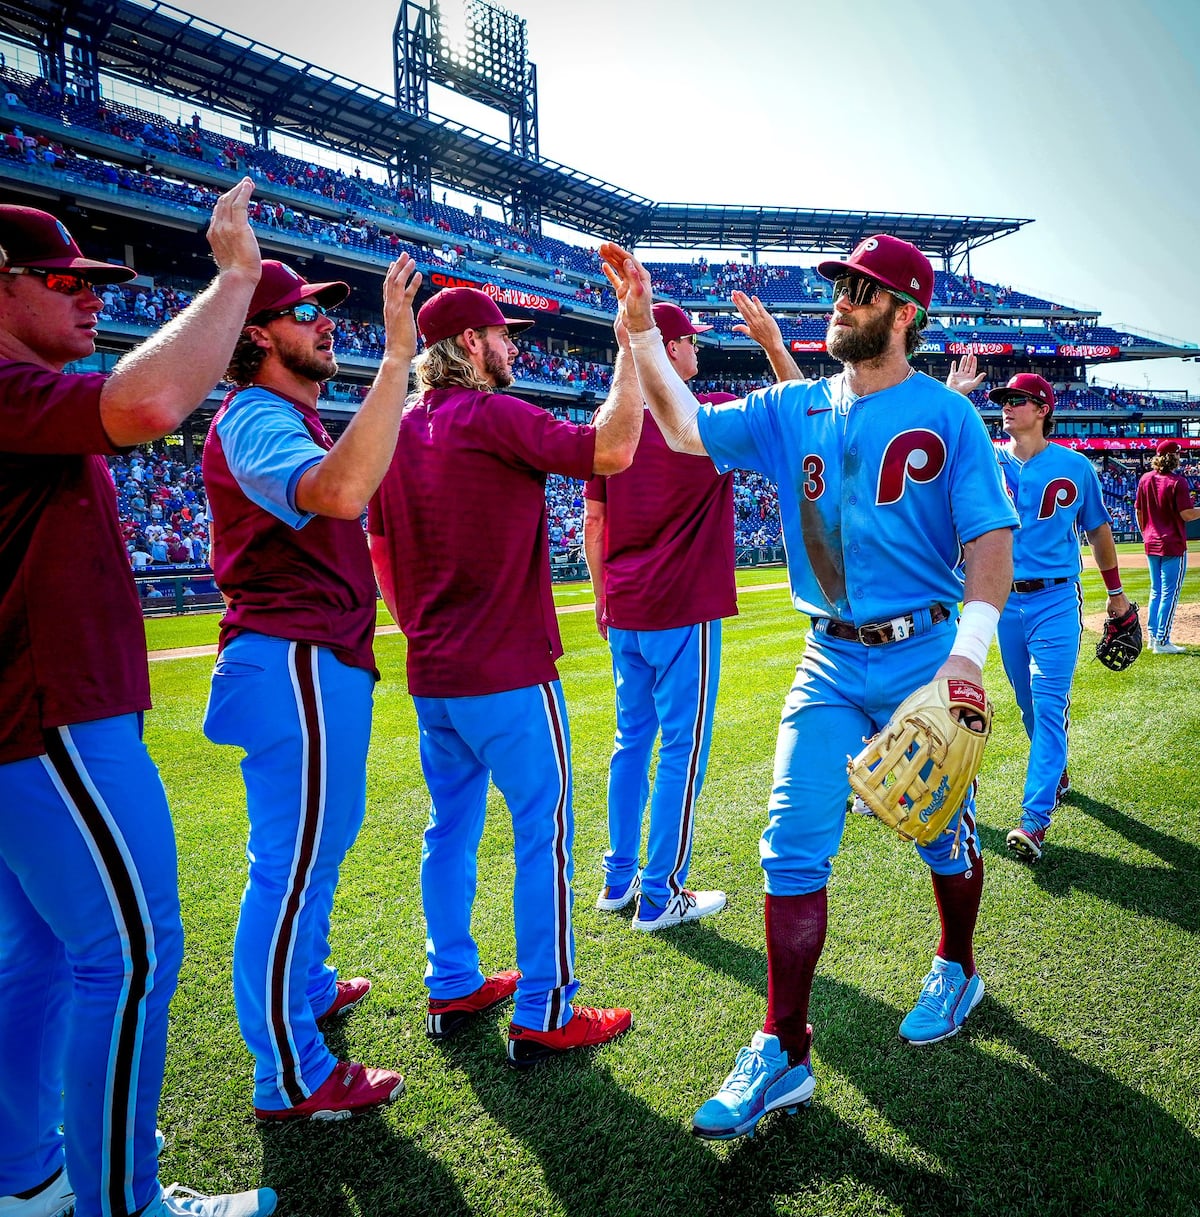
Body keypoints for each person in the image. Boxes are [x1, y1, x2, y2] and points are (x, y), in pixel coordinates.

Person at [599, 234, 1017, 1141]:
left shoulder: (950, 416)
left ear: (905, 314)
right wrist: (638, 332)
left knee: (945, 832)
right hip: (827, 657)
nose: (842, 300)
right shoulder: (793, 405)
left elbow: (988, 541)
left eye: (863, 291)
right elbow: (684, 427)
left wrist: (969, 656)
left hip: (925, 652)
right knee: (790, 845)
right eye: (840, 286)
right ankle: (784, 1047)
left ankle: (957, 961)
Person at [0, 188, 277, 1217]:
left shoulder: (32, 384)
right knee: (128, 953)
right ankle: (124, 1200)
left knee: (35, 952)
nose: (88, 298)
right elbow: (150, 404)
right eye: (65, 280)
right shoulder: (8, 383)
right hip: (52, 719)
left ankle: (25, 1172)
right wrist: (236, 276)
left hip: (37, 720)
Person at [368, 287, 642, 1066]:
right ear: (467, 343)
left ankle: (451, 978)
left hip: (436, 671)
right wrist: (627, 349)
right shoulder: (494, 415)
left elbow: (380, 549)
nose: (512, 346)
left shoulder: (394, 425)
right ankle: (545, 1006)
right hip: (508, 670)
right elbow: (613, 449)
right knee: (542, 832)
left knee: (447, 828)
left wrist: (420, 626)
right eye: (500, 334)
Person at [201, 255, 421, 1123]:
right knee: (289, 869)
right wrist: (399, 356)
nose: (324, 323)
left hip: (310, 657)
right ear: (256, 335)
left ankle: (309, 984)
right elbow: (336, 490)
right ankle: (290, 1072)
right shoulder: (254, 412)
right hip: (293, 657)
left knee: (313, 853)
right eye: (303, 313)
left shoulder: (282, 411)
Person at [582, 296, 788, 931]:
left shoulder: (610, 419)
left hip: (625, 606)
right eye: (690, 341)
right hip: (683, 607)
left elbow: (594, 520)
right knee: (680, 751)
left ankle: (618, 880)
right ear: (667, 349)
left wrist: (601, 596)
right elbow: (803, 412)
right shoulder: (706, 422)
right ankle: (660, 892)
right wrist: (774, 347)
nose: (697, 348)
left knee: (629, 743)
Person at [957, 372, 1129, 861]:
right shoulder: (988, 461)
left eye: (1018, 401)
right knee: (1029, 703)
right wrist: (957, 395)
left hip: (1055, 599)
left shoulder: (1075, 467)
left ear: (1043, 410)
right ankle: (1058, 772)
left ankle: (1034, 821)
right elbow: (949, 439)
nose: (1007, 408)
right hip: (1003, 602)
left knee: (1049, 704)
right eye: (1004, 401)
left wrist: (1115, 595)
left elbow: (1097, 532)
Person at [1135, 439, 1199, 653]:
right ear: (1173, 457)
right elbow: (1187, 515)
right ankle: (1163, 641)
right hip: (1172, 543)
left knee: (1156, 591)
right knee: (1169, 593)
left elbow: (1139, 512)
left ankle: (1153, 637)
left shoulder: (1145, 479)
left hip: (1151, 542)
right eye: (1178, 455)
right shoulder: (1177, 482)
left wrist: (1146, 533)